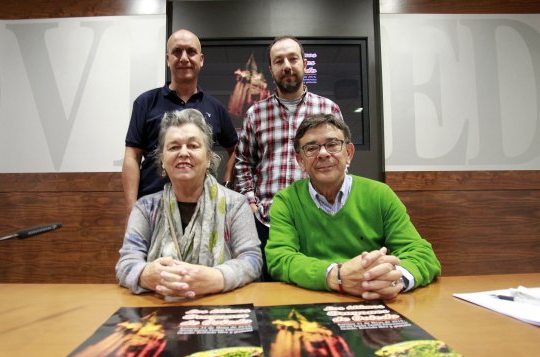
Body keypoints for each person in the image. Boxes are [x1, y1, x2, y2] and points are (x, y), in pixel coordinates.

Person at [265, 114, 441, 300]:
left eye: (332, 144)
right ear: (301, 161)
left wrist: (394, 279)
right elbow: (279, 259)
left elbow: (423, 256)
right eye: (311, 148)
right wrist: (336, 276)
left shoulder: (380, 194)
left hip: (372, 299)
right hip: (311, 301)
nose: (323, 153)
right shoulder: (286, 201)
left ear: (349, 153)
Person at [116, 109, 262, 298]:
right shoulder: (146, 208)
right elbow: (126, 263)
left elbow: (252, 260)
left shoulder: (235, 204)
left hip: (219, 309)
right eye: (174, 147)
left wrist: (218, 277)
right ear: (162, 160)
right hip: (158, 309)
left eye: (193, 146)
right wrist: (146, 274)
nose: (183, 153)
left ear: (209, 158)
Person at [234, 35, 343, 280]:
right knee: (268, 296)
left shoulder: (328, 110)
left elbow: (341, 161)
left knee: (315, 287)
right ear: (271, 69)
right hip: (266, 223)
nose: (287, 66)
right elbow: (243, 163)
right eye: (279, 60)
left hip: (318, 220)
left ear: (304, 63)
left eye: (293, 59)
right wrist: (251, 204)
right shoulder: (256, 114)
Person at [123, 29, 238, 214]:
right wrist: (131, 211)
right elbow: (132, 157)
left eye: (191, 51)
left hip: (204, 210)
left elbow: (235, 149)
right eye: (177, 52)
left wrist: (226, 183)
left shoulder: (215, 107)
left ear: (201, 60)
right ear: (168, 59)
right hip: (153, 209)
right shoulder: (145, 102)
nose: (184, 58)